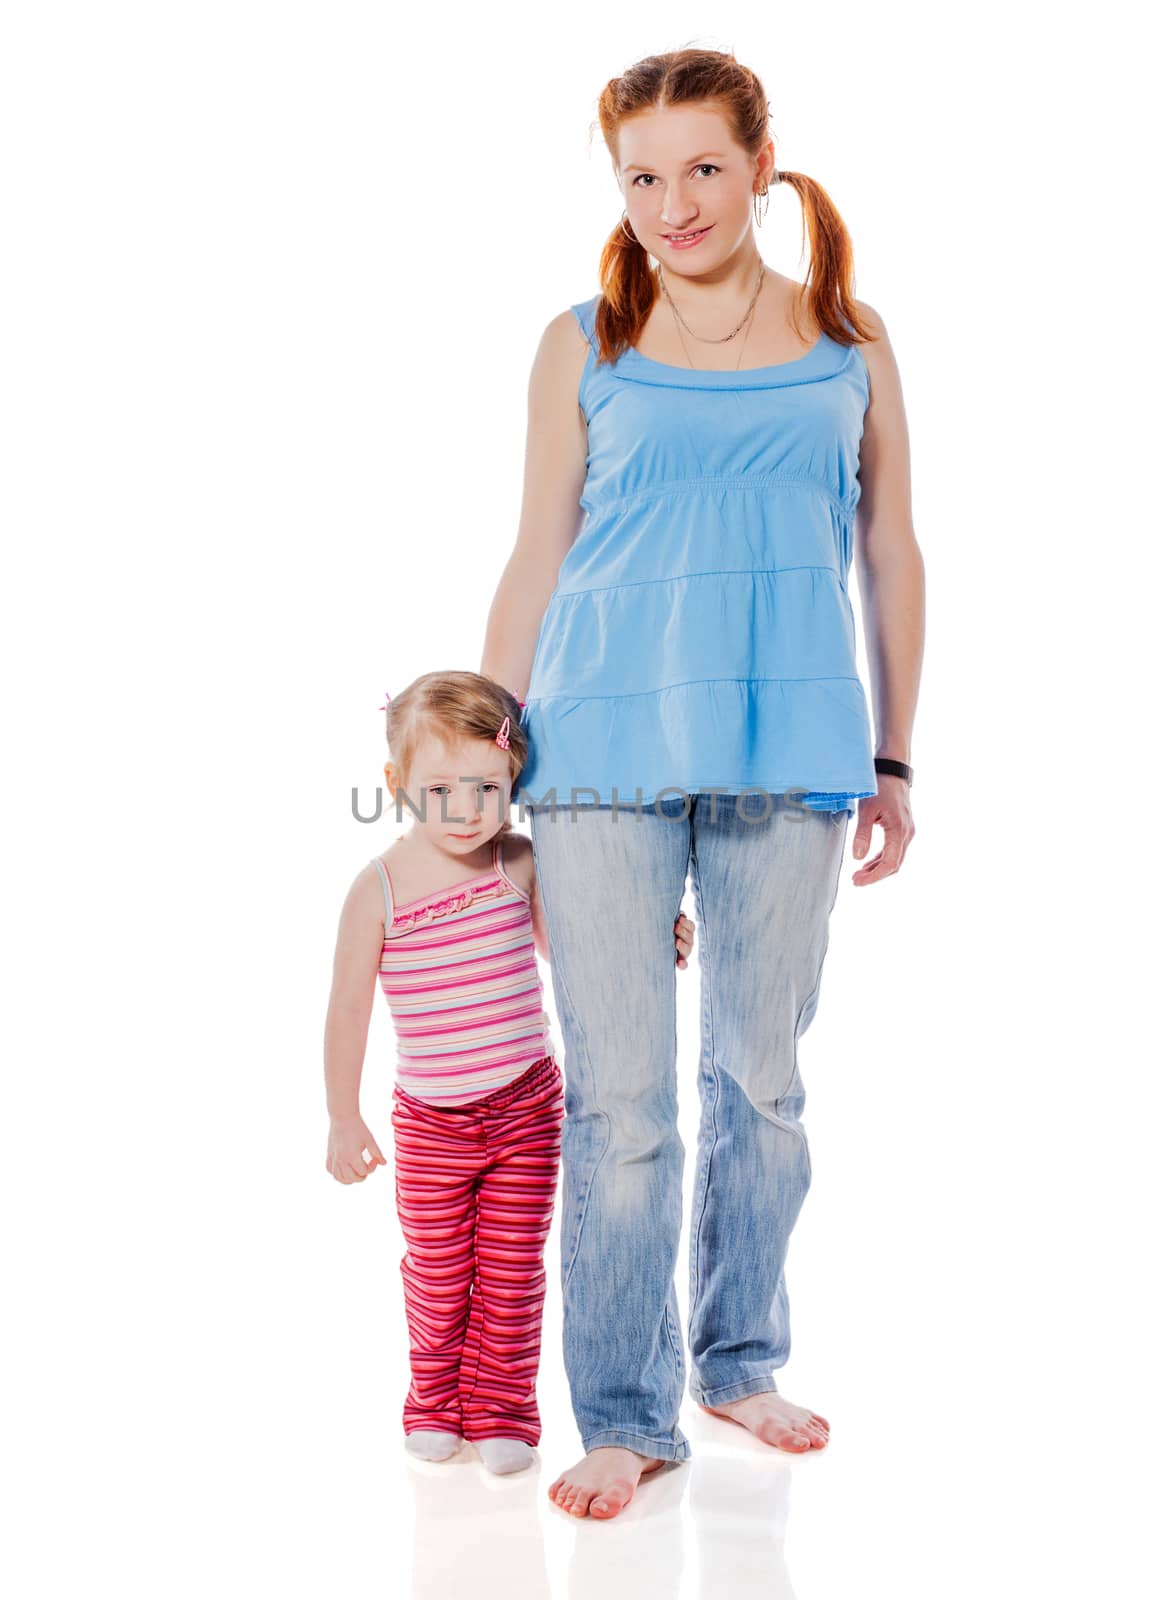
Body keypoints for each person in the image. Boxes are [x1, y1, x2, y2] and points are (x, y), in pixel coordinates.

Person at [480, 48, 925, 1520]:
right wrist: (488, 769)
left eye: (701, 169)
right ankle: (621, 1409)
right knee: (619, 1102)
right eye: (641, 176)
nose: (672, 204)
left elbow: (890, 556)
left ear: (760, 161)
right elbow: (536, 555)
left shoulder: (847, 340)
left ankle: (737, 1358)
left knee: (762, 1081)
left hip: (788, 756)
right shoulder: (583, 341)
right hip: (594, 754)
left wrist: (892, 758)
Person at [322, 670, 696, 1476]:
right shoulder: (378, 888)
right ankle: (434, 1399)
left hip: (525, 1107)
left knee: (511, 1268)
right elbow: (347, 1009)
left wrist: (645, 938)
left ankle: (501, 1411)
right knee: (438, 1266)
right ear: (397, 788)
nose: (466, 809)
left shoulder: (516, 863)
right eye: (441, 789)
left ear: (513, 783)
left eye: (487, 788)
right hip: (430, 1123)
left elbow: (573, 948)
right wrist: (343, 1115)